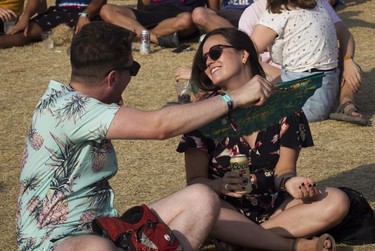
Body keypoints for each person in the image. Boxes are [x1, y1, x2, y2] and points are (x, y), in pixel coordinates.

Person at [16, 21, 275, 250]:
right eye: (134, 68)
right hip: (55, 241)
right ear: (112, 78)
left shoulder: (76, 101)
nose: (134, 75)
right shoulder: (70, 110)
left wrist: (199, 105)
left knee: (202, 198)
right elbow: (158, 126)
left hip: (106, 228)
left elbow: (161, 116)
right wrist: (235, 98)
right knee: (96, 248)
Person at [176, 27, 350, 250]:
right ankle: (295, 246)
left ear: (244, 54)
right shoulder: (202, 113)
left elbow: (284, 170)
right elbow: (195, 182)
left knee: (336, 200)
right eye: (204, 60)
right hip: (226, 209)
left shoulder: (286, 106)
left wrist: (291, 182)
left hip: (276, 208)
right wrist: (219, 185)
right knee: (202, 208)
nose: (209, 61)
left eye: (216, 52)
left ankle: (243, 241)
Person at [240, 0, 369, 125]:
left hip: (303, 101)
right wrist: (347, 60)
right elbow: (344, 33)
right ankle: (346, 103)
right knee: (344, 58)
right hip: (328, 93)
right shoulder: (318, 5)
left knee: (248, 73)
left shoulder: (277, 12)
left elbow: (248, 52)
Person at [99, 0, 205, 48]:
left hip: (178, 16)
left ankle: (137, 33)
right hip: (151, 13)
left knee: (187, 20)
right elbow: (143, 5)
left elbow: (211, 12)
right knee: (106, 9)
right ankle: (154, 38)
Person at [0, 0, 103, 49]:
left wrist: (85, 15)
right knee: (23, 33)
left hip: (86, 12)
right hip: (59, 12)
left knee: (87, 39)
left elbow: (99, 1)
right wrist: (25, 17)